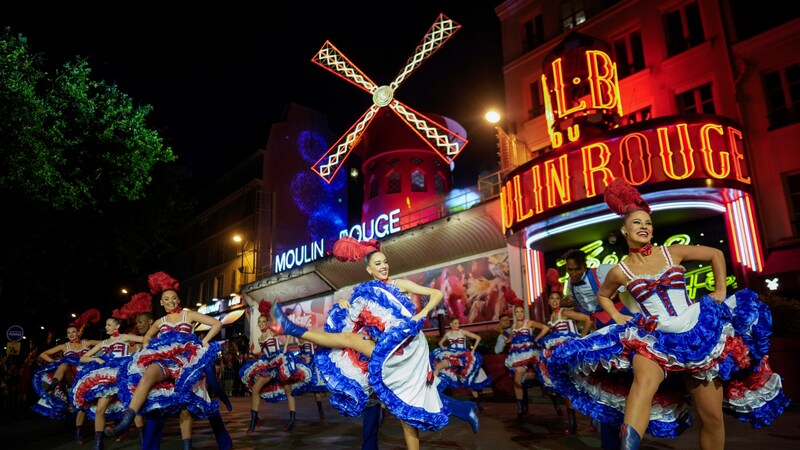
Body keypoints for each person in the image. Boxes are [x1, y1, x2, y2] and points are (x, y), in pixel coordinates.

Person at [545, 178, 790, 449]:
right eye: (637, 223)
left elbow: (716, 255)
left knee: (711, 418)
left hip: (696, 334)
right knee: (644, 381)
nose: (644, 227)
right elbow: (603, 295)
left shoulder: (671, 253)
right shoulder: (619, 271)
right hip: (654, 337)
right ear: (624, 230)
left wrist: (720, 290)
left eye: (648, 223)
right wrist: (616, 316)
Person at [269, 237, 478, 450]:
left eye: (385, 262)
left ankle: (289, 327)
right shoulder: (367, 292)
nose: (384, 266)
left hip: (406, 347)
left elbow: (437, 293)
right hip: (382, 350)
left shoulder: (399, 284)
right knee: (402, 410)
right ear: (369, 270)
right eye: (378, 264)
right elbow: (355, 320)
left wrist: (422, 313)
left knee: (405, 410)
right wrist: (344, 304)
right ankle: (289, 327)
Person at [107, 271, 227, 450]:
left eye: (174, 298)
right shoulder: (159, 322)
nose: (170, 301)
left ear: (178, 300)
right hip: (164, 362)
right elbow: (147, 337)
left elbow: (217, 323)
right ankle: (126, 421)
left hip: (186, 364)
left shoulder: (189, 315)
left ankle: (203, 443)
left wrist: (204, 341)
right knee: (148, 374)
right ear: (161, 303)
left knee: (188, 406)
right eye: (166, 299)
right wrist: (147, 349)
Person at [72, 316, 143, 450]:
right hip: (107, 377)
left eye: (109, 324)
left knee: (132, 407)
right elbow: (83, 357)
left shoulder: (124, 337)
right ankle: (99, 443)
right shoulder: (103, 343)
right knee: (100, 409)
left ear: (117, 327)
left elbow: (146, 339)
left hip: (123, 374)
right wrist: (97, 360)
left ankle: (143, 440)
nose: (106, 327)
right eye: (106, 325)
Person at [240, 300, 311, 433]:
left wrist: (285, 348)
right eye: (259, 322)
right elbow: (265, 352)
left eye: (263, 321)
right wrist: (257, 354)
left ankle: (292, 420)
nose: (261, 324)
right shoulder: (260, 338)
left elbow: (289, 331)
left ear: (267, 322)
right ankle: (253, 420)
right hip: (267, 365)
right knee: (255, 389)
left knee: (288, 389)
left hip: (279, 362)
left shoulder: (272, 332)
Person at [32, 309, 101, 445]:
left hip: (85, 376)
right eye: (69, 333)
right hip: (71, 376)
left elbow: (104, 343)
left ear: (78, 332)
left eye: (73, 332)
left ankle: (79, 434)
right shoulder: (64, 346)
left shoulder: (86, 343)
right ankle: (52, 386)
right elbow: (43, 354)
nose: (71, 335)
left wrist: (94, 356)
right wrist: (54, 362)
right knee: (64, 364)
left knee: (82, 407)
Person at [536, 276, 592, 435]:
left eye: (557, 298)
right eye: (551, 299)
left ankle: (589, 420)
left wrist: (582, 338)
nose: (554, 301)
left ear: (560, 301)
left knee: (582, 384)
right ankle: (573, 421)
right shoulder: (551, 319)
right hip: (556, 356)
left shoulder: (565, 312)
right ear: (548, 302)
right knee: (568, 386)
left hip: (570, 353)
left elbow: (587, 319)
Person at [431, 316, 491, 411]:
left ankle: (478, 402)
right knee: (438, 366)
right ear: (450, 324)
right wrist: (443, 347)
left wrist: (472, 350)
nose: (456, 325)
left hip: (464, 356)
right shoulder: (448, 334)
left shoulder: (462, 332)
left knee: (469, 380)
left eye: (458, 323)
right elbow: (440, 343)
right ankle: (431, 388)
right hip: (452, 355)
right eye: (454, 323)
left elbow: (478, 338)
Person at [503, 304, 550, 419]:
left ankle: (522, 407)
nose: (519, 314)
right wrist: (507, 340)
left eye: (521, 311)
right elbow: (511, 338)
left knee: (521, 376)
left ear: (524, 313)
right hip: (516, 355)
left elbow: (546, 328)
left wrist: (536, 339)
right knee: (517, 380)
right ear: (514, 314)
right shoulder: (514, 325)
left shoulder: (529, 323)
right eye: (517, 312)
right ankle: (520, 407)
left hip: (529, 354)